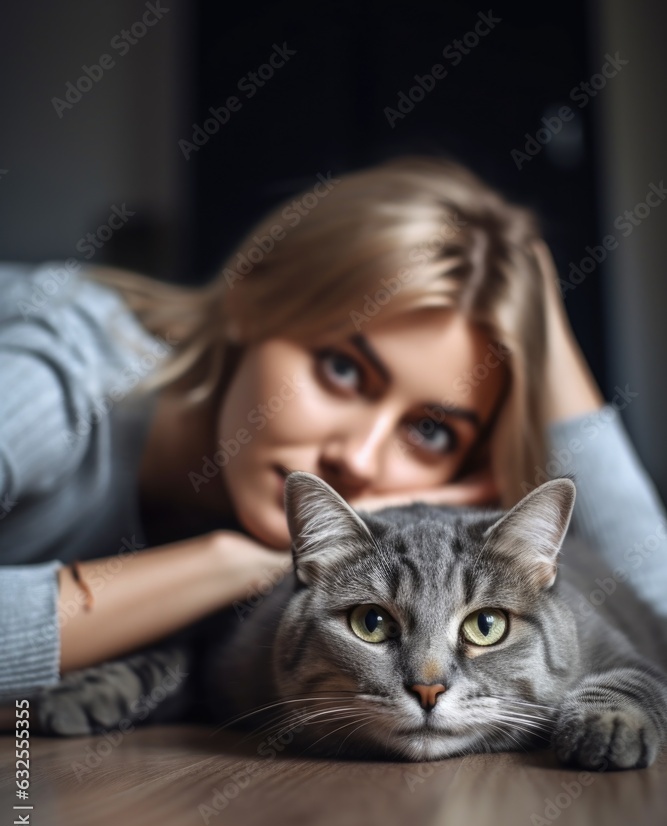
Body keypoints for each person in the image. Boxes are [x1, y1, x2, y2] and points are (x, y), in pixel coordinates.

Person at [1, 154, 666, 706]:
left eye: (430, 432)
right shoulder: (50, 380)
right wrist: (221, 566)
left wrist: (540, 324)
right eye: (343, 369)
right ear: (253, 298)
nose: (357, 455)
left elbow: (654, 611)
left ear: (467, 482)